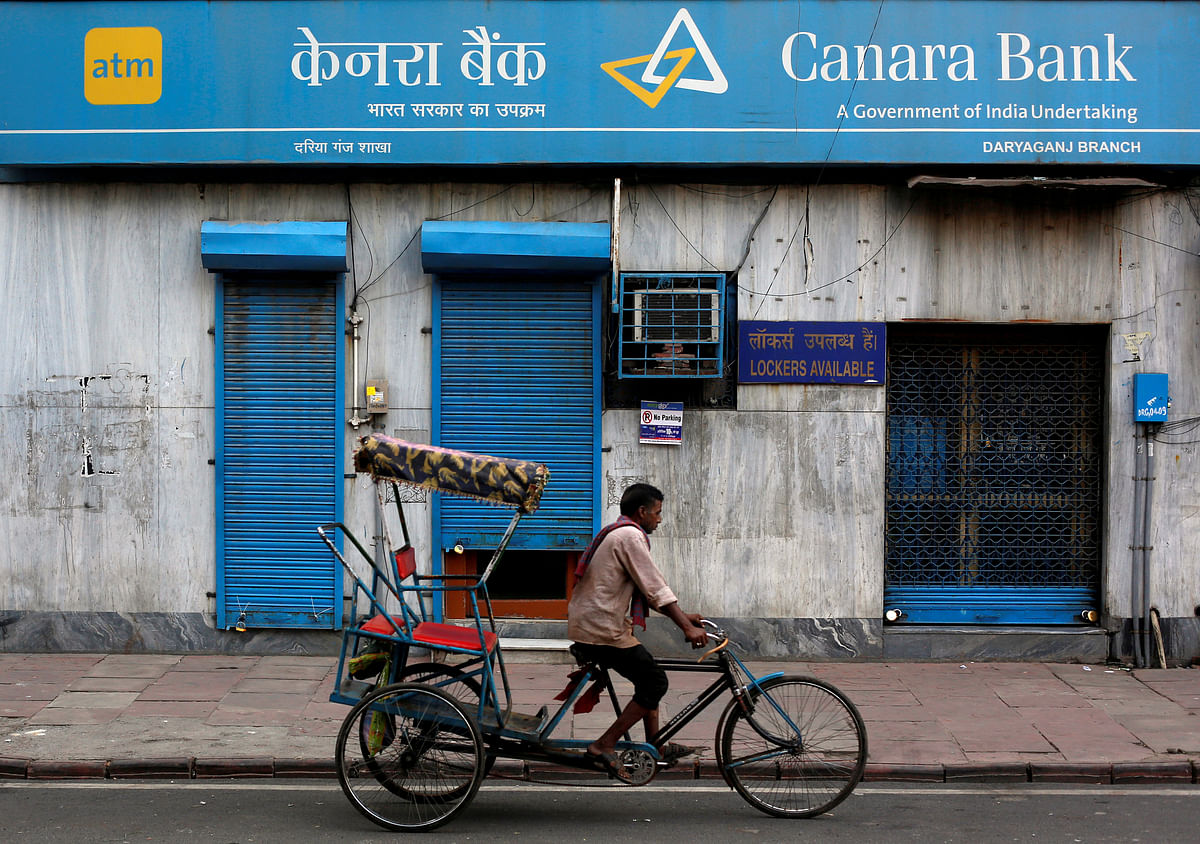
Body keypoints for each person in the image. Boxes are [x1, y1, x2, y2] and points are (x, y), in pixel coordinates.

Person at [567, 482, 708, 781]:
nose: (659, 519)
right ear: (641, 512)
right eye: (657, 513)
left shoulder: (619, 531)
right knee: (655, 682)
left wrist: (685, 617)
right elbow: (655, 587)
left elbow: (648, 589)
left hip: (596, 623)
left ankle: (653, 746)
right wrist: (685, 627)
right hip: (601, 629)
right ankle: (603, 744)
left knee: (648, 676)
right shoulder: (630, 535)